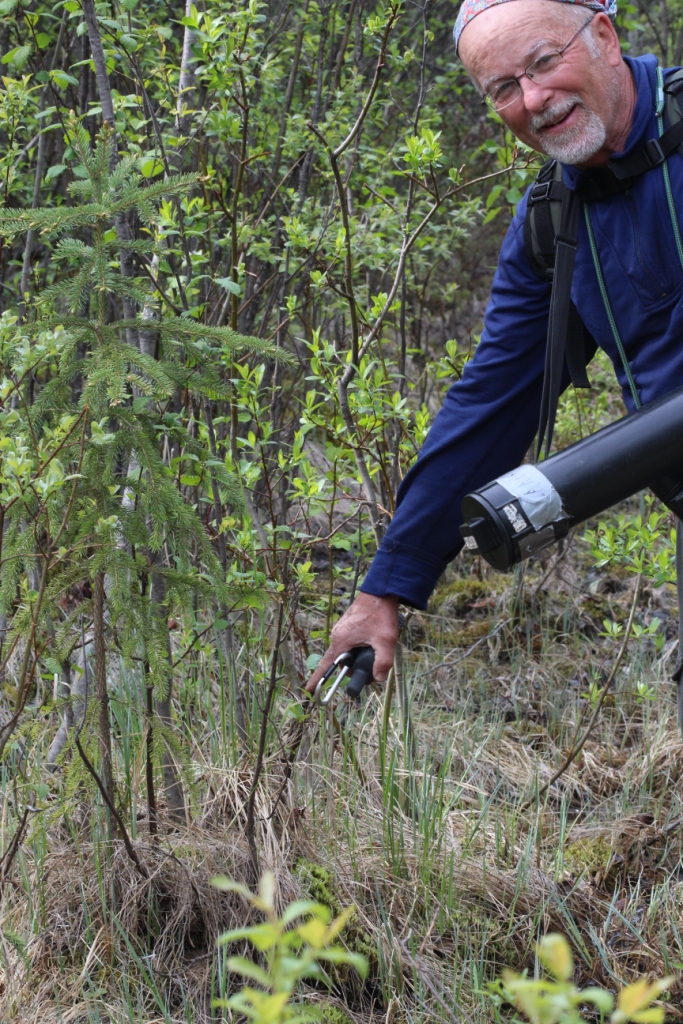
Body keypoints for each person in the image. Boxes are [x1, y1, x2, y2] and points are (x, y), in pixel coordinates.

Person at [306, 0, 683, 694]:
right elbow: (488, 404)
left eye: (543, 63)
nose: (534, 99)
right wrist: (384, 588)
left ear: (602, 34)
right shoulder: (550, 227)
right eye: (504, 89)